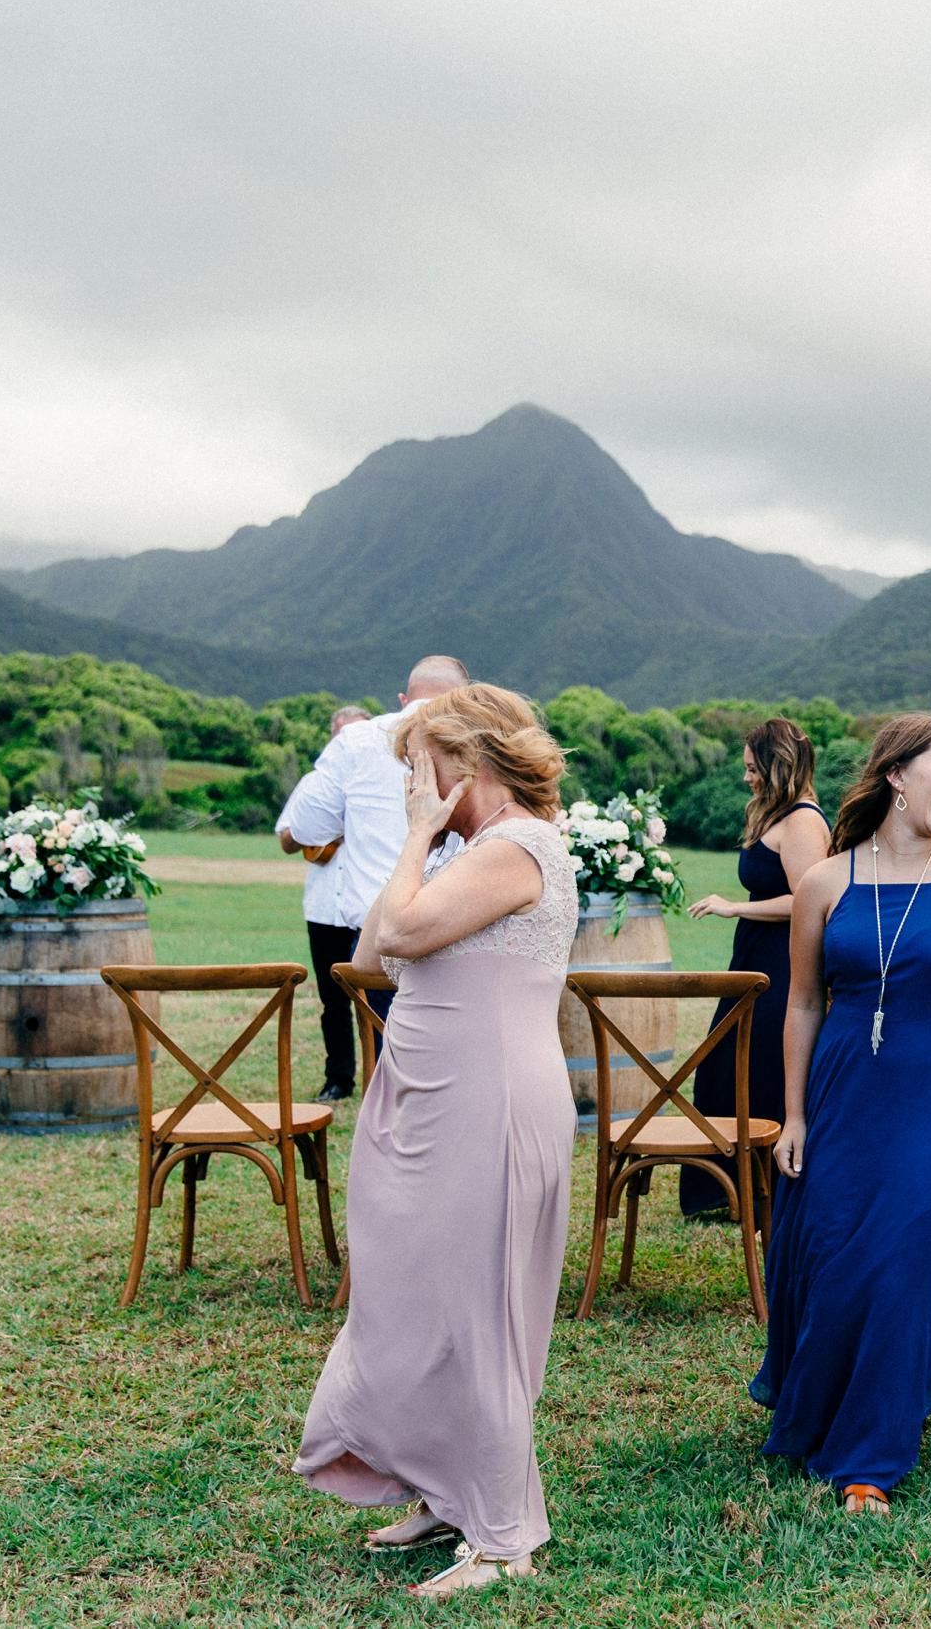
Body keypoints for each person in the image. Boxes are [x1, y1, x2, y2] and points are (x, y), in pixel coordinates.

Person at [292, 683, 582, 1599]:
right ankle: (442, 1489)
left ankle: (503, 1533)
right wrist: (425, 837)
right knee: (411, 1295)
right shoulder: (470, 850)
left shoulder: (522, 844)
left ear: (470, 757)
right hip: (429, 1101)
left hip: (487, 1107)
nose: (412, 779)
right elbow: (376, 952)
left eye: (422, 760)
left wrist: (416, 831)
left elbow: (404, 928)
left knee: (474, 1311)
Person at [752, 713, 931, 1515]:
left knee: (904, 1259)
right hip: (838, 1093)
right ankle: (821, 1407)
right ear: (897, 775)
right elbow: (802, 1003)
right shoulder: (825, 883)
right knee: (828, 1249)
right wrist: (792, 1115)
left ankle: (872, 1454)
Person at [279, 655, 471, 1099]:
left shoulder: (357, 741)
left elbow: (303, 827)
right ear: (466, 694)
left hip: (381, 938)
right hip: (465, 927)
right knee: (452, 1075)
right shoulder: (485, 740)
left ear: (405, 696)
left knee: (392, 1080)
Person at [679, 717, 829, 1218]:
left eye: (751, 768)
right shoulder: (775, 815)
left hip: (784, 961)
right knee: (725, 1066)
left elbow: (811, 901)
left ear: (775, 764)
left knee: (764, 1067)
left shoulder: (805, 820)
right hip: (753, 955)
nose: (746, 777)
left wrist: (734, 907)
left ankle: (765, 1186)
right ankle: (725, 1188)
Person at [277, 704, 372, 1095]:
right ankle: (339, 1079)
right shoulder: (313, 784)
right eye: (342, 735)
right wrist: (329, 831)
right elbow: (285, 838)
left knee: (377, 997)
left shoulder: (384, 783)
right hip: (323, 907)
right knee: (332, 1002)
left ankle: (382, 1079)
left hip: (369, 905)